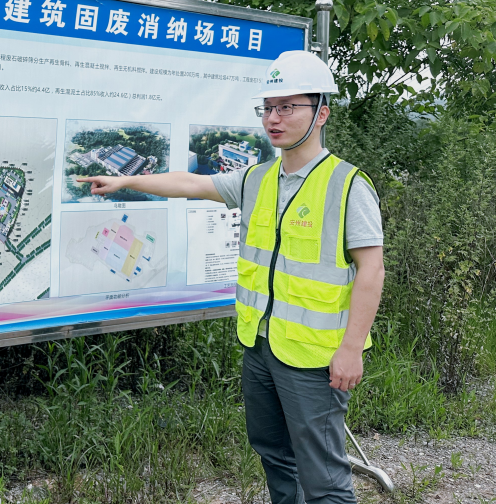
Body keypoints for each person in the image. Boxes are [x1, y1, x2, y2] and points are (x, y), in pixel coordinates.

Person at [79, 50, 385, 504]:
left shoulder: (347, 185)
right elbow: (191, 183)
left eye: (287, 107)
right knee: (274, 454)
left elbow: (371, 270)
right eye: (268, 108)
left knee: (323, 476)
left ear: (321, 113)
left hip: (314, 359)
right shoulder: (257, 178)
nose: (273, 119)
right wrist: (126, 182)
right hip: (260, 346)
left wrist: (351, 349)